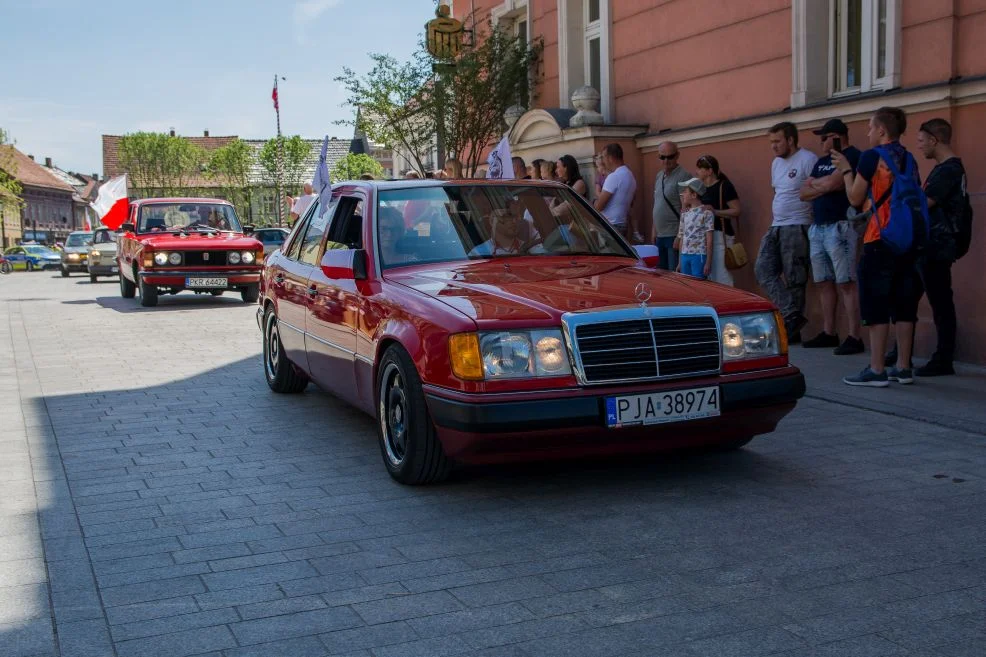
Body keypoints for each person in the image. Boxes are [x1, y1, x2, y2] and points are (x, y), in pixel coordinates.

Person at [834, 107, 922, 387]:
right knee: (905, 303)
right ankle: (904, 367)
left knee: (876, 302)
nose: (868, 133)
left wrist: (847, 170)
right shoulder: (909, 159)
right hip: (908, 238)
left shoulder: (872, 157)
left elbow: (854, 198)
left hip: (879, 237)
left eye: (871, 128)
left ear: (882, 130)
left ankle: (876, 369)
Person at [798, 118, 864, 355]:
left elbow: (834, 184)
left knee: (845, 281)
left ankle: (854, 336)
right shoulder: (822, 162)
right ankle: (829, 332)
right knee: (823, 281)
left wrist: (818, 184)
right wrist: (820, 184)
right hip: (819, 227)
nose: (821, 142)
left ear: (836, 137)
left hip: (841, 226)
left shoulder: (853, 156)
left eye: (824, 138)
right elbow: (803, 194)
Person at [910, 118, 967, 376]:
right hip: (930, 244)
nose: (919, 145)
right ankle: (902, 352)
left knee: (941, 301)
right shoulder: (944, 168)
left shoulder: (948, 170)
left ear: (934, 140)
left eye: (921, 141)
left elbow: (925, 204)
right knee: (908, 297)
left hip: (937, 245)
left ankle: (943, 359)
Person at [755, 122, 818, 342]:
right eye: (771, 142)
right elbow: (777, 191)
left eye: (777, 141)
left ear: (790, 140)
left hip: (798, 224)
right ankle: (792, 314)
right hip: (776, 225)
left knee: (795, 278)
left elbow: (815, 189)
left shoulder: (808, 160)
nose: (773, 146)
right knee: (763, 269)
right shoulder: (776, 163)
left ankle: (793, 330)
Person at [695, 155, 740, 286]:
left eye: (700, 169)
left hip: (721, 236)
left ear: (709, 171)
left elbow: (736, 210)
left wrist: (715, 212)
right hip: (704, 237)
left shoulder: (724, 186)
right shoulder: (700, 189)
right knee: (709, 276)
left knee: (722, 275)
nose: (697, 172)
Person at [652, 141, 691, 272]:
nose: (666, 160)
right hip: (660, 236)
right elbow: (657, 203)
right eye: (663, 157)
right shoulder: (659, 176)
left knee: (674, 276)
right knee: (661, 275)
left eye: (670, 156)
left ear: (677, 155)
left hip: (673, 235)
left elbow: (686, 209)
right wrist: (654, 230)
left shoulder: (683, 176)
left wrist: (679, 236)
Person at [594, 143, 638, 241]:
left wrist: (595, 201)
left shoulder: (614, 177)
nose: (603, 161)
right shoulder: (630, 176)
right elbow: (632, 202)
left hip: (611, 226)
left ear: (610, 158)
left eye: (603, 157)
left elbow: (599, 206)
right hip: (623, 224)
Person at [674, 178, 714, 279]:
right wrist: (679, 261)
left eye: (685, 191)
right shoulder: (685, 214)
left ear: (694, 195)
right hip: (684, 255)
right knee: (686, 285)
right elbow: (682, 237)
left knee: (698, 284)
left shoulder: (706, 213)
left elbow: (709, 239)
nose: (683, 194)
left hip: (698, 255)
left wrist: (708, 262)